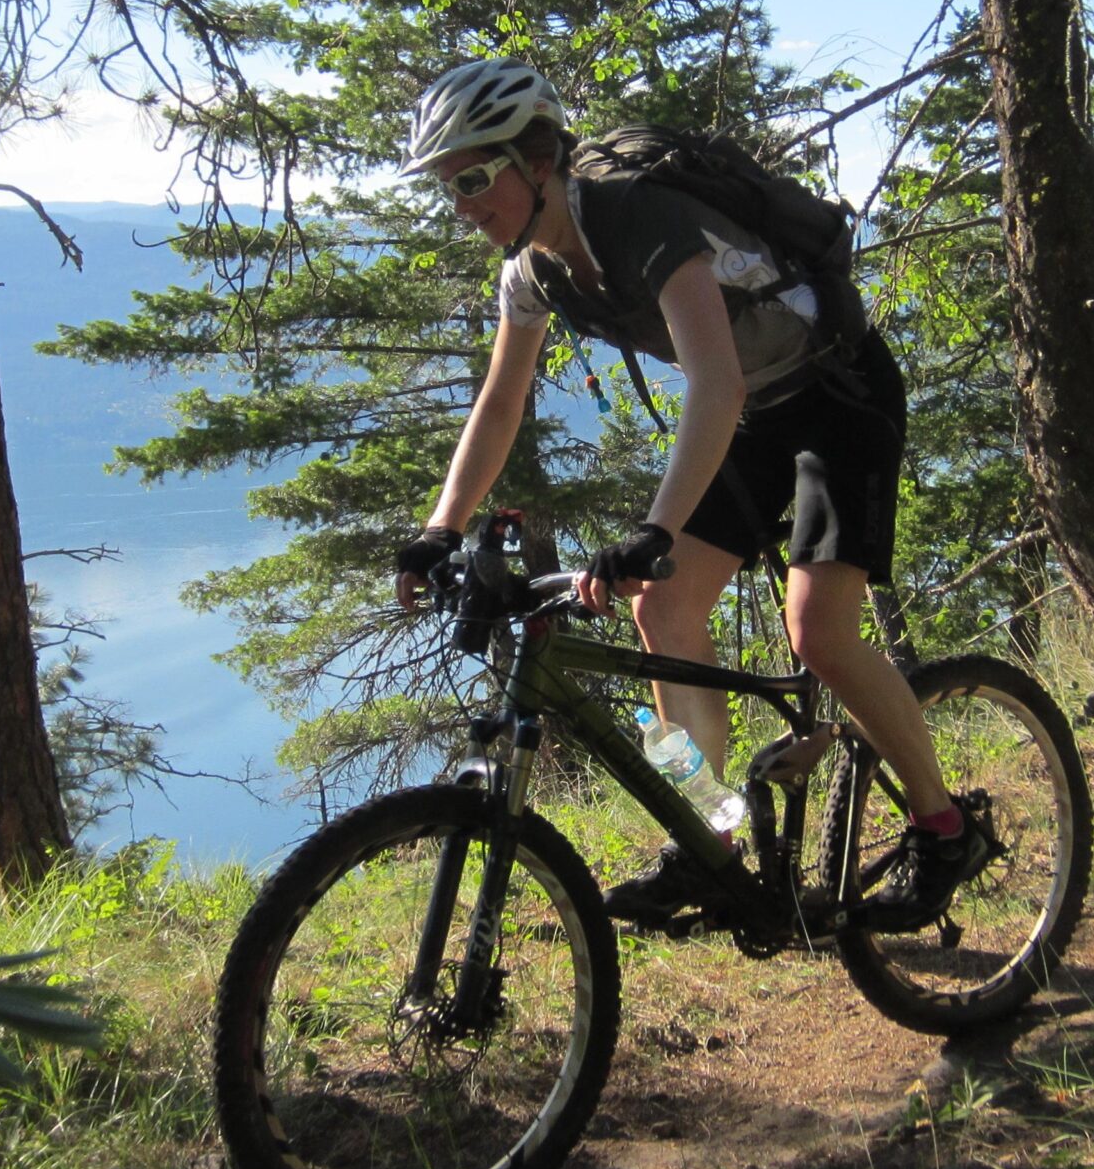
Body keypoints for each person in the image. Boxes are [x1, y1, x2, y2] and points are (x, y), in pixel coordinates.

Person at [390, 57, 987, 931]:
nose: (464, 205)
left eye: (474, 178)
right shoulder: (531, 269)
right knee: (664, 614)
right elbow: (501, 402)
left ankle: (943, 825)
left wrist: (654, 530)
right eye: (449, 189)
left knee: (818, 630)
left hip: (838, 394)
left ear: (540, 158)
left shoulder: (639, 216)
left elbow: (714, 382)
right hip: (754, 409)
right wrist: (440, 529)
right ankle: (711, 839)